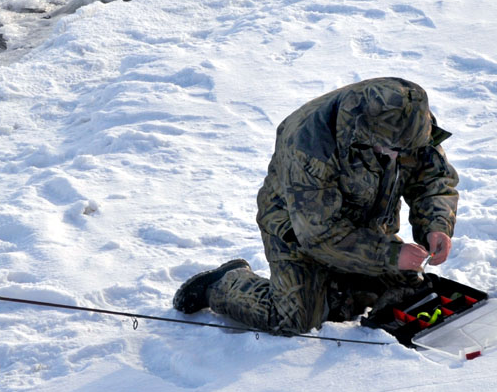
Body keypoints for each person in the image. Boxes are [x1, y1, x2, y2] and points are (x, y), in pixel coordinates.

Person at [172, 76, 459, 335]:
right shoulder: (310, 146)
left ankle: (335, 288)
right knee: (294, 319)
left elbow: (433, 178)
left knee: (410, 285)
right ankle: (224, 284)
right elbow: (318, 235)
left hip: (363, 228)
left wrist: (436, 227)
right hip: (298, 232)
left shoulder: (407, 122)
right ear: (366, 135)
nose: (399, 157)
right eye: (393, 151)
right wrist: (389, 253)